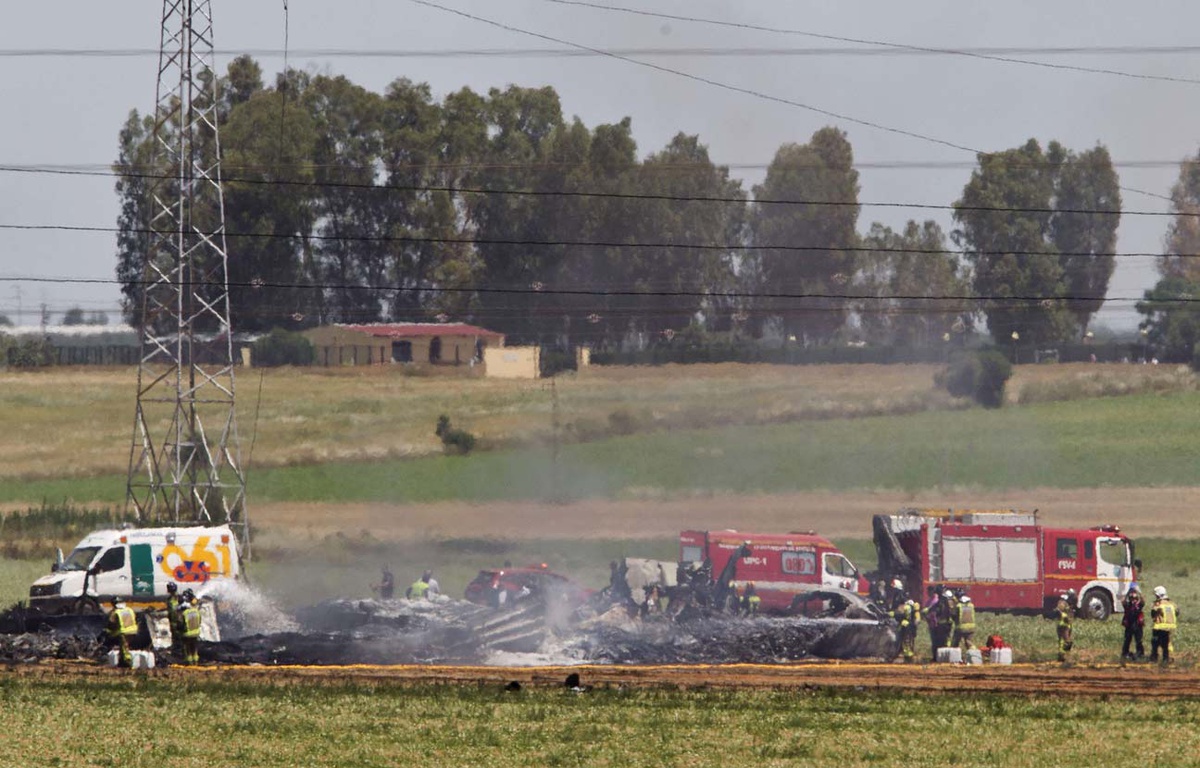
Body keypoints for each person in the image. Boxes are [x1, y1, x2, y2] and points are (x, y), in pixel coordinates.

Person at [1149, 585, 1179, 665]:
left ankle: (1154, 658)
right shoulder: (1172, 604)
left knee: (1155, 643)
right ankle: (1167, 659)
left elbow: (1153, 614)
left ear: (1158, 595)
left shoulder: (1158, 604)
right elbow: (1177, 612)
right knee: (1167, 644)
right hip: (1170, 628)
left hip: (1159, 628)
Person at [105, 597, 138, 668]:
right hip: (133, 631)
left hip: (124, 632)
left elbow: (111, 623)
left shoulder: (116, 612)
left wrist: (108, 631)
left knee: (124, 647)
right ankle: (122, 661)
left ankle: (128, 662)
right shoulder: (129, 610)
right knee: (125, 647)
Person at [891, 599, 920, 663]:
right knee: (910, 642)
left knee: (906, 642)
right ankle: (909, 657)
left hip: (906, 627)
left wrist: (893, 614)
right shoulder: (914, 612)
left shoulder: (907, 608)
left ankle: (908, 657)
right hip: (911, 628)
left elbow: (902, 616)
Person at [1121, 587, 1146, 661]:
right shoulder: (1128, 605)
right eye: (1132, 598)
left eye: (1135, 598)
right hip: (1129, 626)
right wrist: (1127, 594)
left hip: (1138, 626)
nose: (1133, 599)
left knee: (1139, 640)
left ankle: (1140, 653)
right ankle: (1125, 653)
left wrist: (1139, 593)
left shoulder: (1139, 606)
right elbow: (1123, 601)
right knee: (1127, 640)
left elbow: (1143, 601)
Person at [180, 594, 203, 666]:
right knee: (195, 649)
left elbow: (182, 624)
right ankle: (196, 663)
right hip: (196, 633)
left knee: (188, 650)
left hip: (187, 634)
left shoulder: (184, 613)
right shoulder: (197, 611)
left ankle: (190, 664)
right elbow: (199, 622)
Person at [1053, 593, 1074, 663]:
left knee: (1064, 641)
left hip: (1066, 625)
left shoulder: (1067, 606)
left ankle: (1062, 655)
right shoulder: (1063, 603)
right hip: (1063, 625)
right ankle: (1064, 655)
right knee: (1066, 641)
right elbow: (1059, 611)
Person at [165, 581, 184, 653]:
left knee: (181, 638)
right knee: (175, 637)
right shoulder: (169, 599)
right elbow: (170, 610)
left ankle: (181, 651)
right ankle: (176, 650)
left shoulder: (180, 598)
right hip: (173, 622)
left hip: (179, 621)